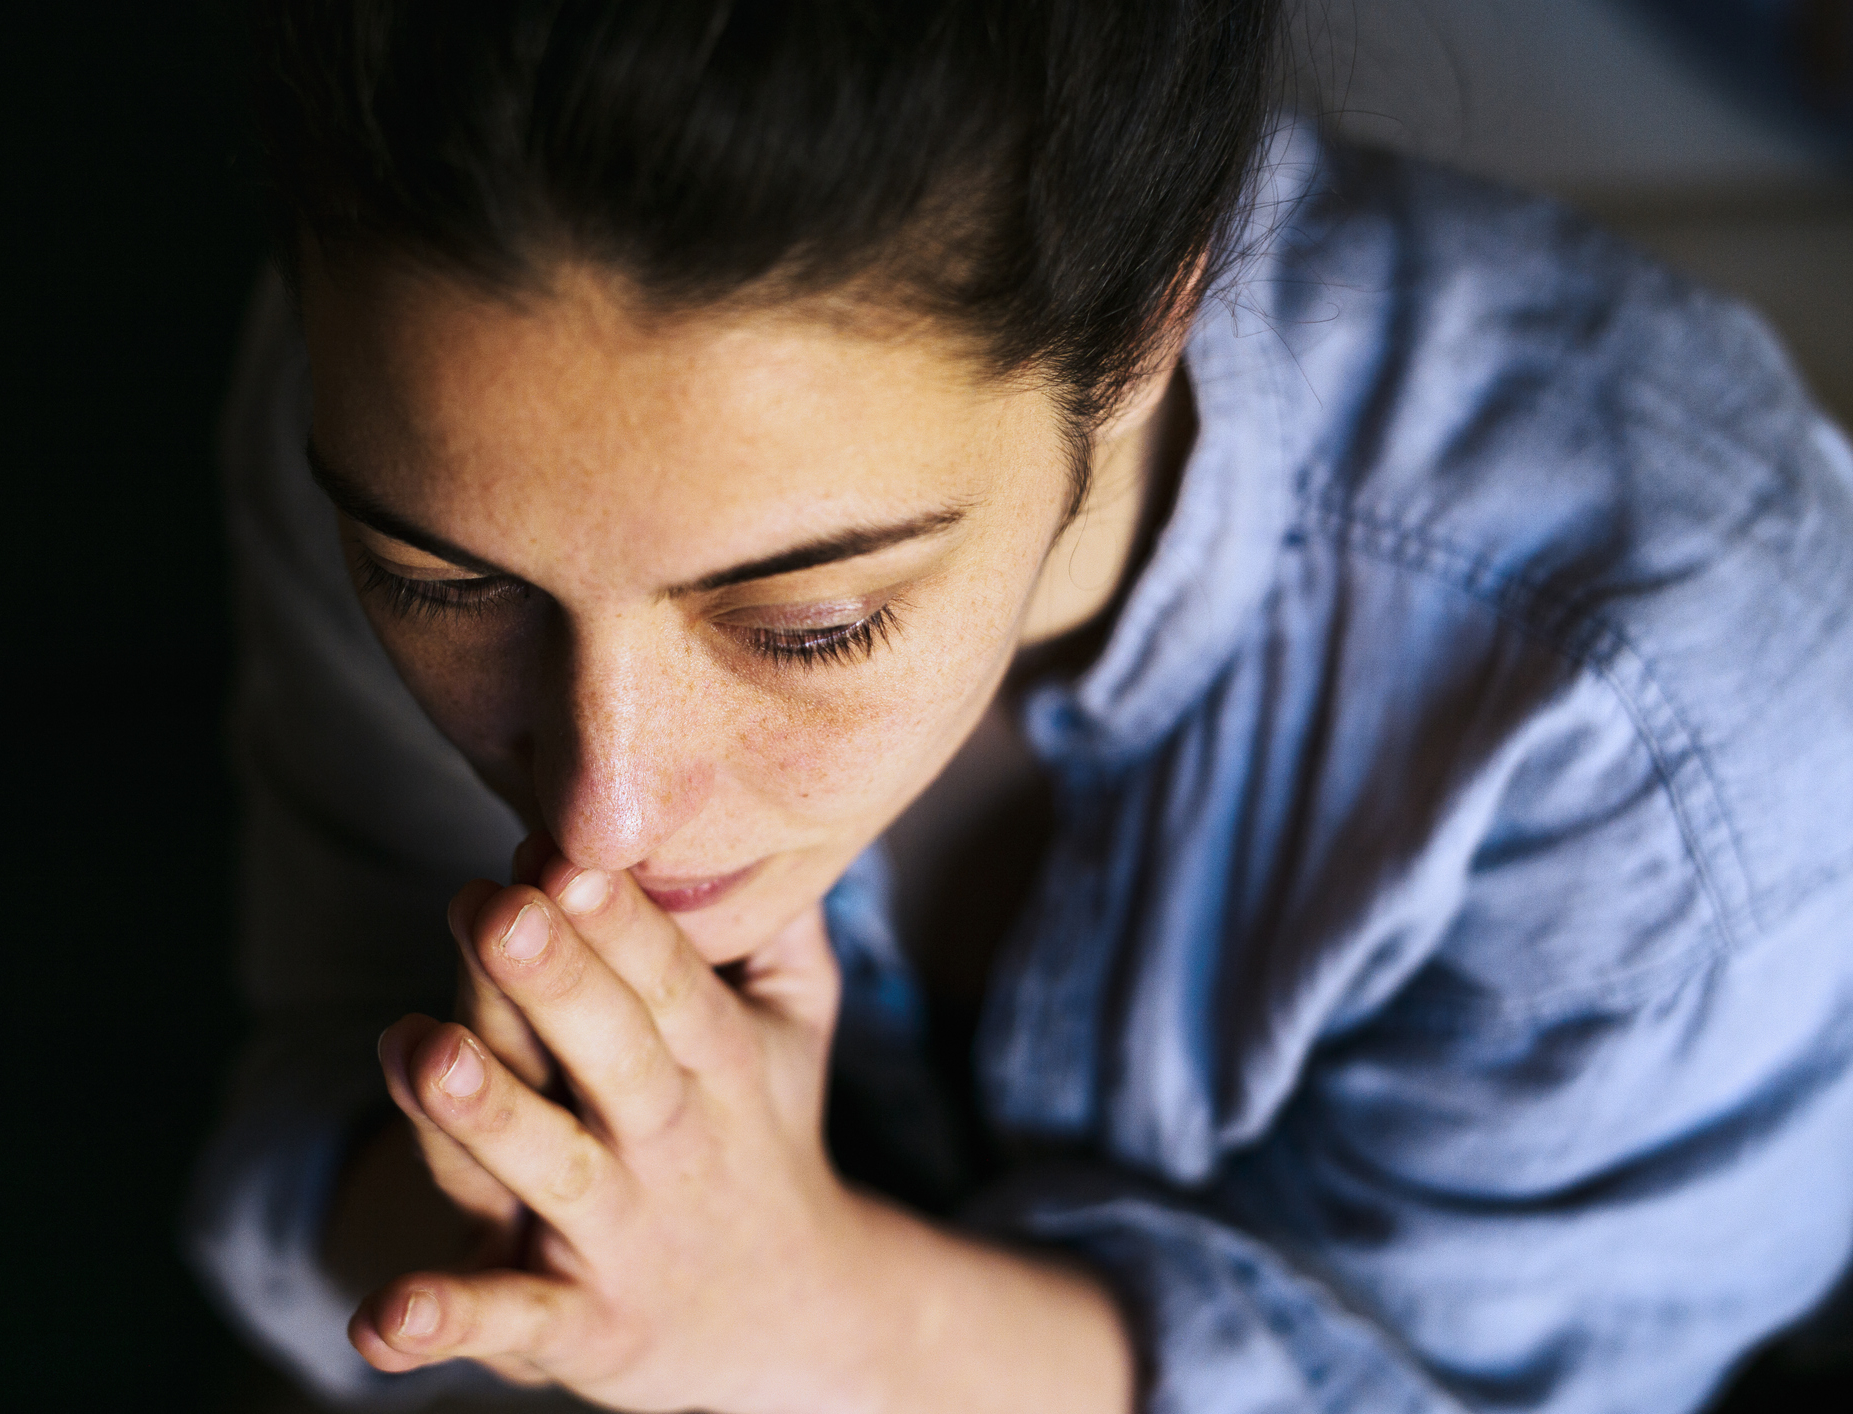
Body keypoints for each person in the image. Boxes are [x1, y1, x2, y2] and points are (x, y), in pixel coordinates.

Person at [184, 2, 1853, 1410]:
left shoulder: (1662, 714)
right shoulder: (414, 406)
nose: (599, 812)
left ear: (1139, 338)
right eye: (441, 588)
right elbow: (317, 1088)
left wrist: (820, 1312)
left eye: (813, 624)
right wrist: (543, 1226)